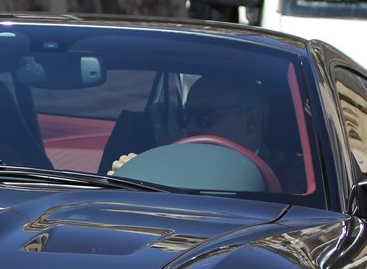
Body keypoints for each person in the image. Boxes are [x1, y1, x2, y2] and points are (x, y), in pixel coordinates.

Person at [105, 74, 300, 191]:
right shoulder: (161, 166)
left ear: (251, 122)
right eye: (185, 116)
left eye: (204, 116)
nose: (190, 128)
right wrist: (132, 177)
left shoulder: (296, 183)